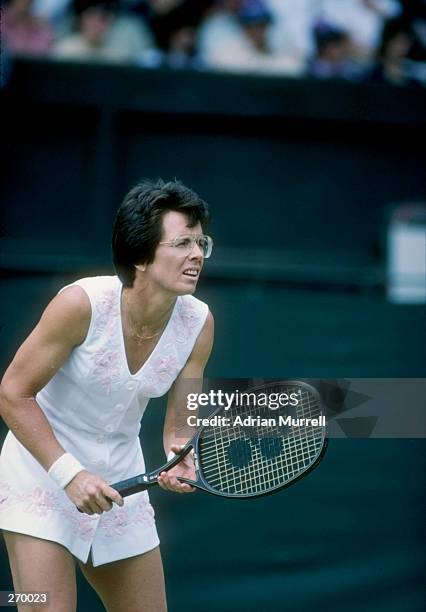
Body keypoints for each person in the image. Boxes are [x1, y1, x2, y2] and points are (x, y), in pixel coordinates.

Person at [0, 179, 215, 611]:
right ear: (140, 254)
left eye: (201, 242)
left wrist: (181, 454)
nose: (197, 255)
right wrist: (70, 476)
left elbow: (181, 420)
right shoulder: (80, 304)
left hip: (123, 484)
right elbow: (12, 393)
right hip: (42, 476)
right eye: (182, 243)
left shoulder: (199, 323)